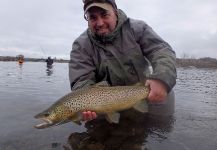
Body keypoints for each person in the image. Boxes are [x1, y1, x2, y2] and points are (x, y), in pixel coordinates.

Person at [69, 0, 177, 121]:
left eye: (105, 15)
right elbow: (81, 81)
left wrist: (161, 79)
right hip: (106, 105)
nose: (99, 23)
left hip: (149, 92)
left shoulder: (137, 28)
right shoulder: (81, 46)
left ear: (115, 12)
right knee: (102, 134)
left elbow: (161, 51)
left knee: (161, 132)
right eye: (93, 18)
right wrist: (86, 105)